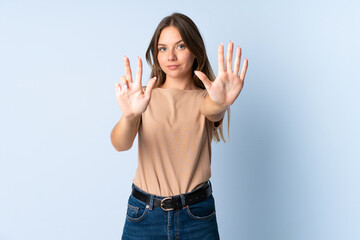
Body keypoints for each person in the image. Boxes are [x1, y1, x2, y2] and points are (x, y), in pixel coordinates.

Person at [111, 12, 248, 240]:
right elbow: (120, 144)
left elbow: (211, 110)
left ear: (195, 50)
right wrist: (129, 115)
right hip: (144, 214)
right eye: (163, 48)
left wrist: (221, 102)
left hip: (196, 216)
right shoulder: (143, 97)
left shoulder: (207, 97)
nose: (171, 56)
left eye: (181, 46)